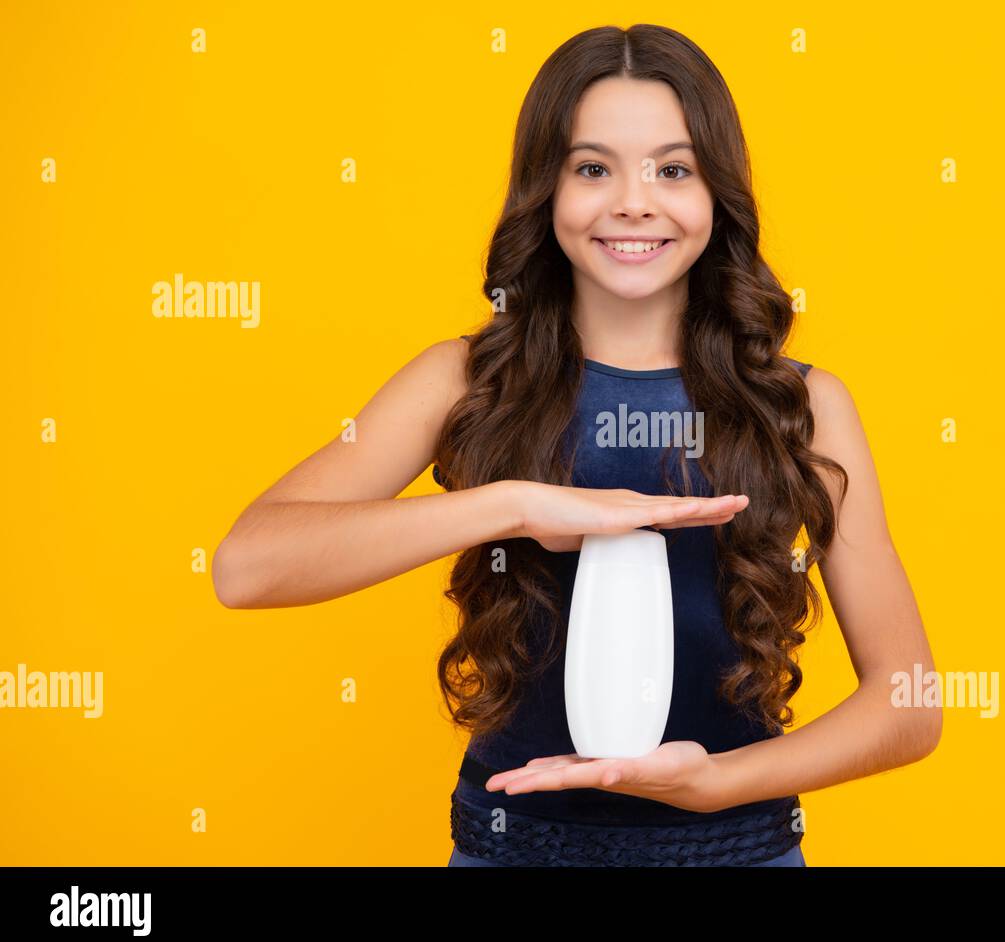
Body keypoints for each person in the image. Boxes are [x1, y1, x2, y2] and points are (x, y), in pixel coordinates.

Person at [212, 24, 939, 867]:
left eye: (674, 169)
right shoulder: (461, 380)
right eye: (593, 168)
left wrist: (716, 784)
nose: (634, 201)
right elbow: (246, 567)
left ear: (719, 195)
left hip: (737, 851)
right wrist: (518, 505)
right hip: (509, 847)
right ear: (545, 191)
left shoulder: (804, 405)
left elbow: (909, 704)